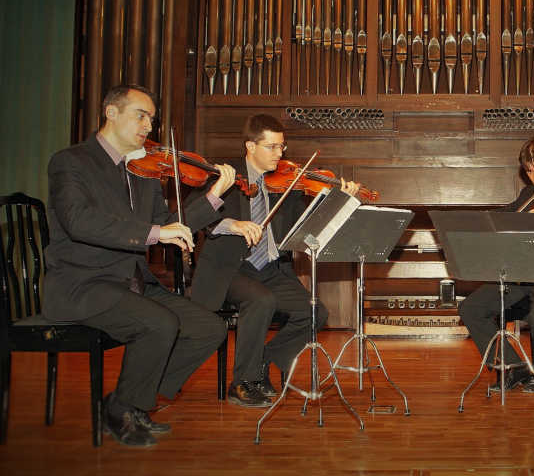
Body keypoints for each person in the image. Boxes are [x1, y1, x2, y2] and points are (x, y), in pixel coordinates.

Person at [43, 85, 233, 447]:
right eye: (140, 115)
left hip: (131, 283)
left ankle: (127, 401)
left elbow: (171, 223)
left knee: (209, 327)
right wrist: (155, 232)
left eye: (152, 119)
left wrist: (212, 196)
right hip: (83, 283)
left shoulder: (142, 172)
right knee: (159, 323)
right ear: (111, 112)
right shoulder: (71, 162)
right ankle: (124, 409)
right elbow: (78, 221)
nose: (149, 125)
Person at [191, 114, 360, 407]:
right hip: (231, 270)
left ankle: (262, 363)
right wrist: (233, 223)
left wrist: (339, 203)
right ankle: (241, 383)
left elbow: (308, 229)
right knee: (261, 300)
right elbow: (197, 217)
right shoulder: (225, 176)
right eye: (271, 147)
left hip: (271, 270)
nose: (279, 154)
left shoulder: (288, 183)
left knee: (314, 312)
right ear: (250, 146)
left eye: (282, 147)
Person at [458, 137, 534, 394]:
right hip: (522, 274)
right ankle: (513, 367)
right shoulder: (529, 195)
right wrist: (487, 219)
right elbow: (510, 212)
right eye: (529, 171)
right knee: (471, 307)